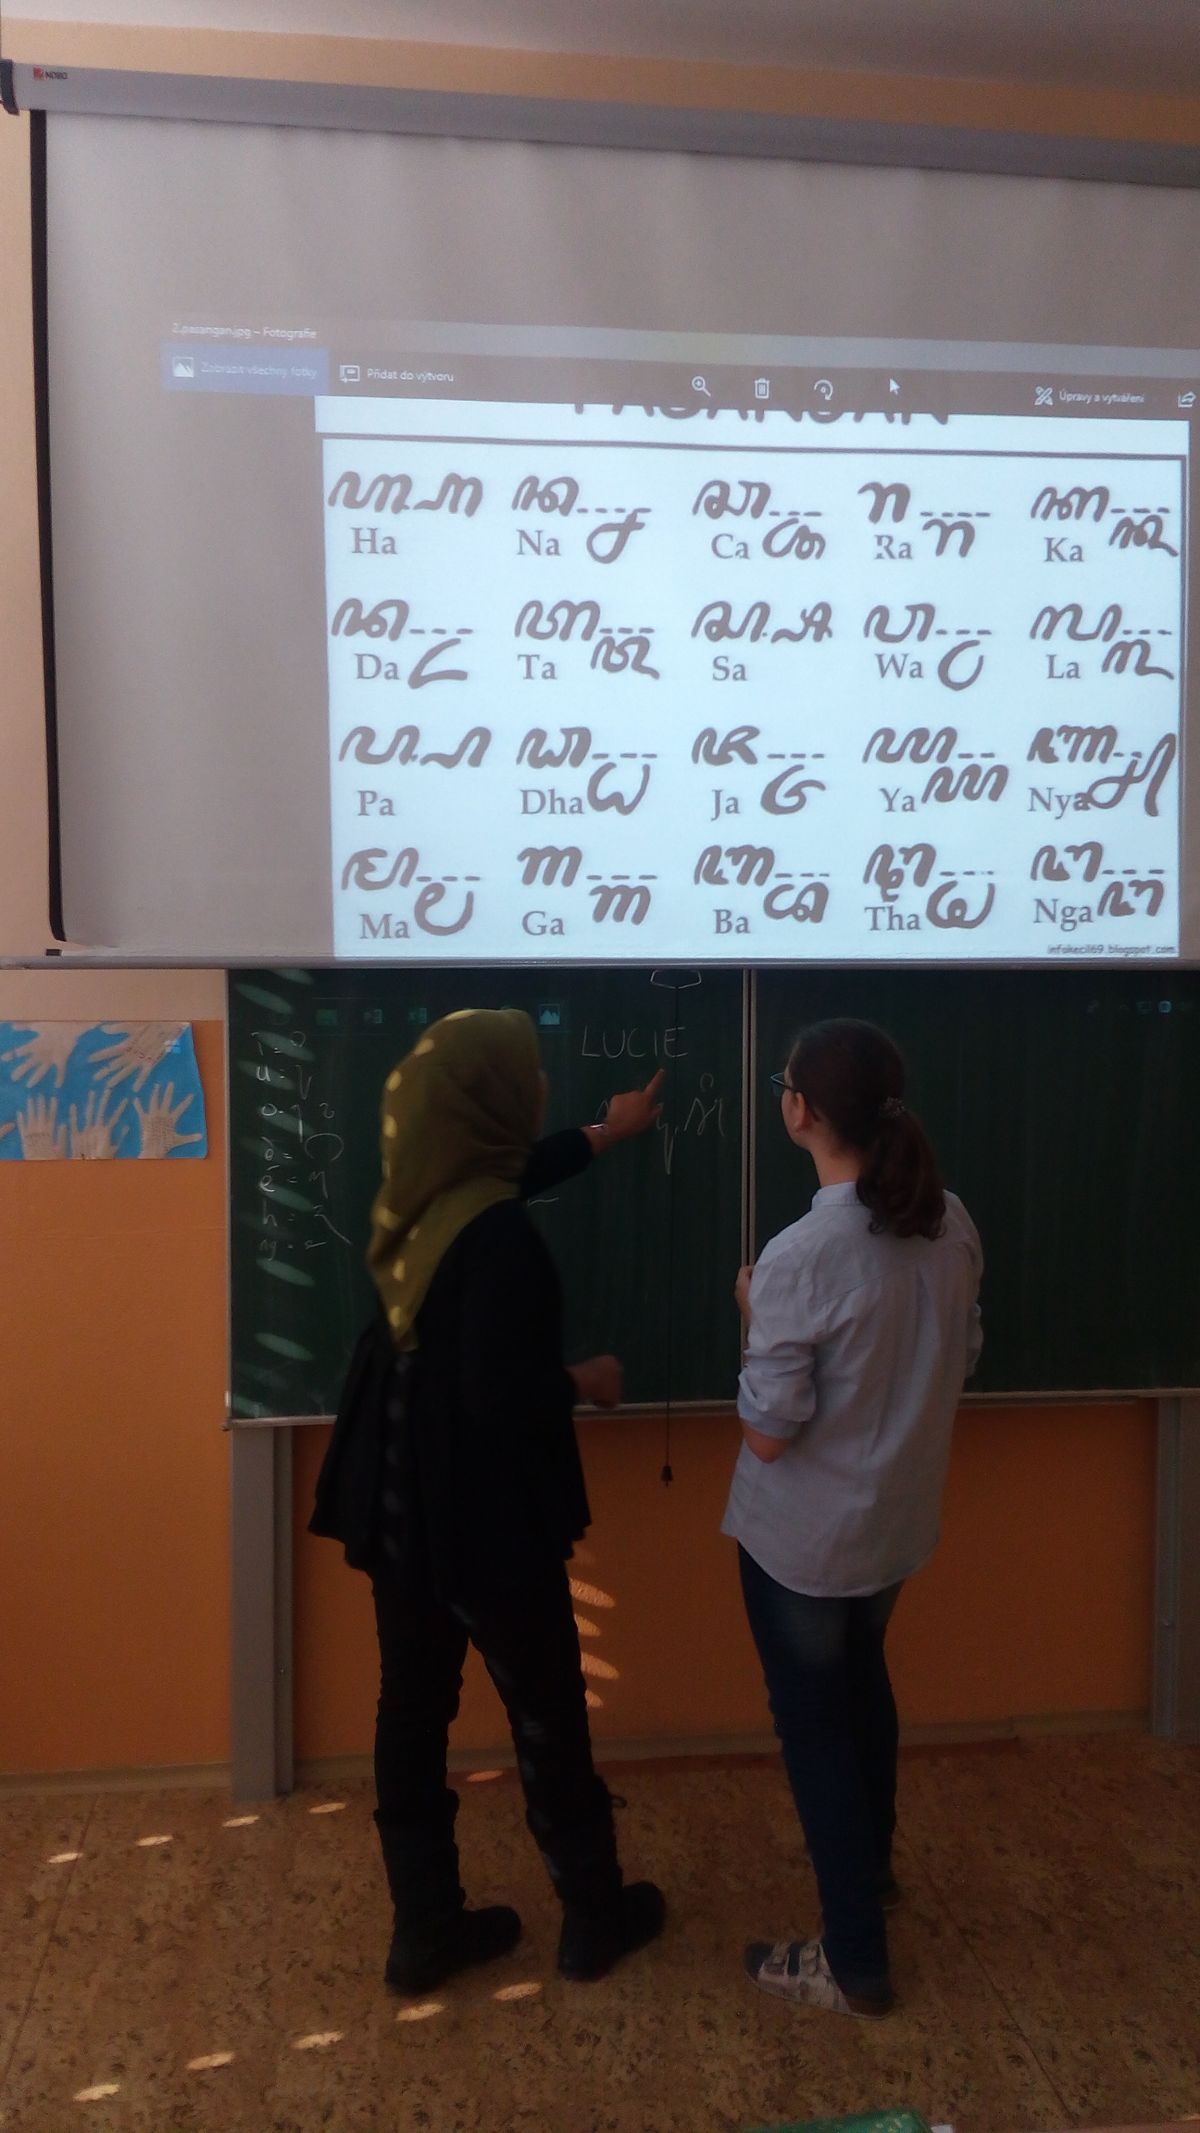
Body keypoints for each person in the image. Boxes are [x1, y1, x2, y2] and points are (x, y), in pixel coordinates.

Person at [311, 1007, 667, 1995]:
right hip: (483, 1516)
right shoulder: (501, 1240)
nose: (540, 1087)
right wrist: (584, 1379)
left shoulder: (418, 1194)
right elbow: (496, 1397)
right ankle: (593, 1916)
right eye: (527, 1076)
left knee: (411, 1708)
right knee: (547, 1708)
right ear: (491, 1103)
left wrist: (604, 1133)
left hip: (399, 1499)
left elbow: (508, 1172)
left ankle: (423, 1931)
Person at [724, 1017, 982, 2020]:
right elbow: (962, 1355)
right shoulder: (950, 1220)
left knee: (817, 1731)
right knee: (862, 1689)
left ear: (801, 1110)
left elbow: (768, 1435)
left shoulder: (800, 1256)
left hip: (805, 1543)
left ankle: (853, 1958)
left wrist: (757, 1318)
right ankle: (871, 1873)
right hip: (894, 1528)